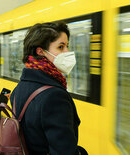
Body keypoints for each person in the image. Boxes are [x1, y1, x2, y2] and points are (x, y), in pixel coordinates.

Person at [10, 22, 87, 155]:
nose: (67, 52)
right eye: (61, 47)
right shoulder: (54, 96)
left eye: (67, 46)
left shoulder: (19, 88)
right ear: (40, 51)